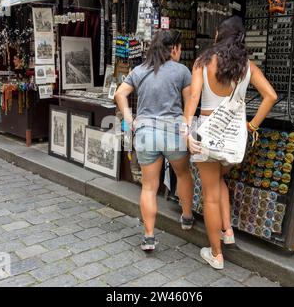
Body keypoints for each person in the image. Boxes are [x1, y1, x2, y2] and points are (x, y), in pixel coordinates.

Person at [183, 16, 278, 269]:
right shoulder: (247, 67)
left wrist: (185, 130)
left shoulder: (202, 62)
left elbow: (193, 97)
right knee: (219, 181)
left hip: (205, 134)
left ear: (217, 35)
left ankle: (216, 255)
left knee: (210, 195)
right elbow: (271, 96)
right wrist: (252, 126)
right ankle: (227, 232)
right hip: (233, 138)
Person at [115, 30, 195, 252]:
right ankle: (187, 217)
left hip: (146, 133)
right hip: (173, 133)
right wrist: (187, 128)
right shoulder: (182, 71)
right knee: (183, 174)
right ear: (174, 49)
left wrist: (130, 120)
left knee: (149, 187)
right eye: (179, 48)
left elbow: (120, 94)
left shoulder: (139, 70)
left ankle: (149, 236)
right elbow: (189, 103)